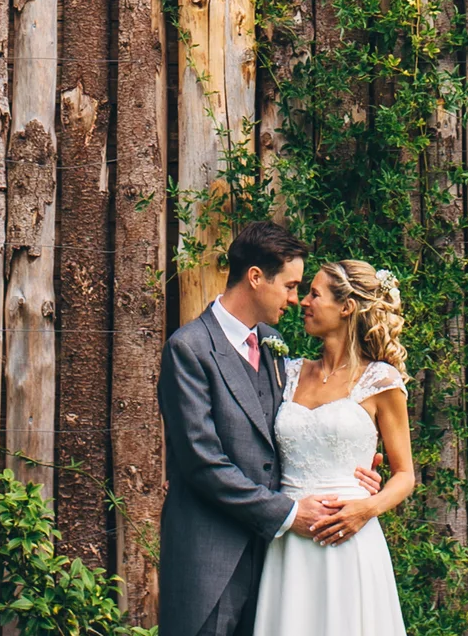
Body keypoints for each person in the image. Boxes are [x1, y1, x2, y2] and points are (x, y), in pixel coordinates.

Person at [157, 224, 383, 636]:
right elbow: (202, 462)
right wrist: (291, 513)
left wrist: (352, 466)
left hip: (278, 562)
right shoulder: (188, 349)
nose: (296, 300)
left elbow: (289, 434)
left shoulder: (272, 343)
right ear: (256, 277)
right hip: (211, 559)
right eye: (291, 286)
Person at [249, 259, 416, 636]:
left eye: (314, 294)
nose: (302, 302)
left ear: (346, 307)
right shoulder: (285, 372)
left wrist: (365, 509)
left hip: (348, 538)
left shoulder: (380, 381)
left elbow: (405, 475)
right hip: (289, 540)